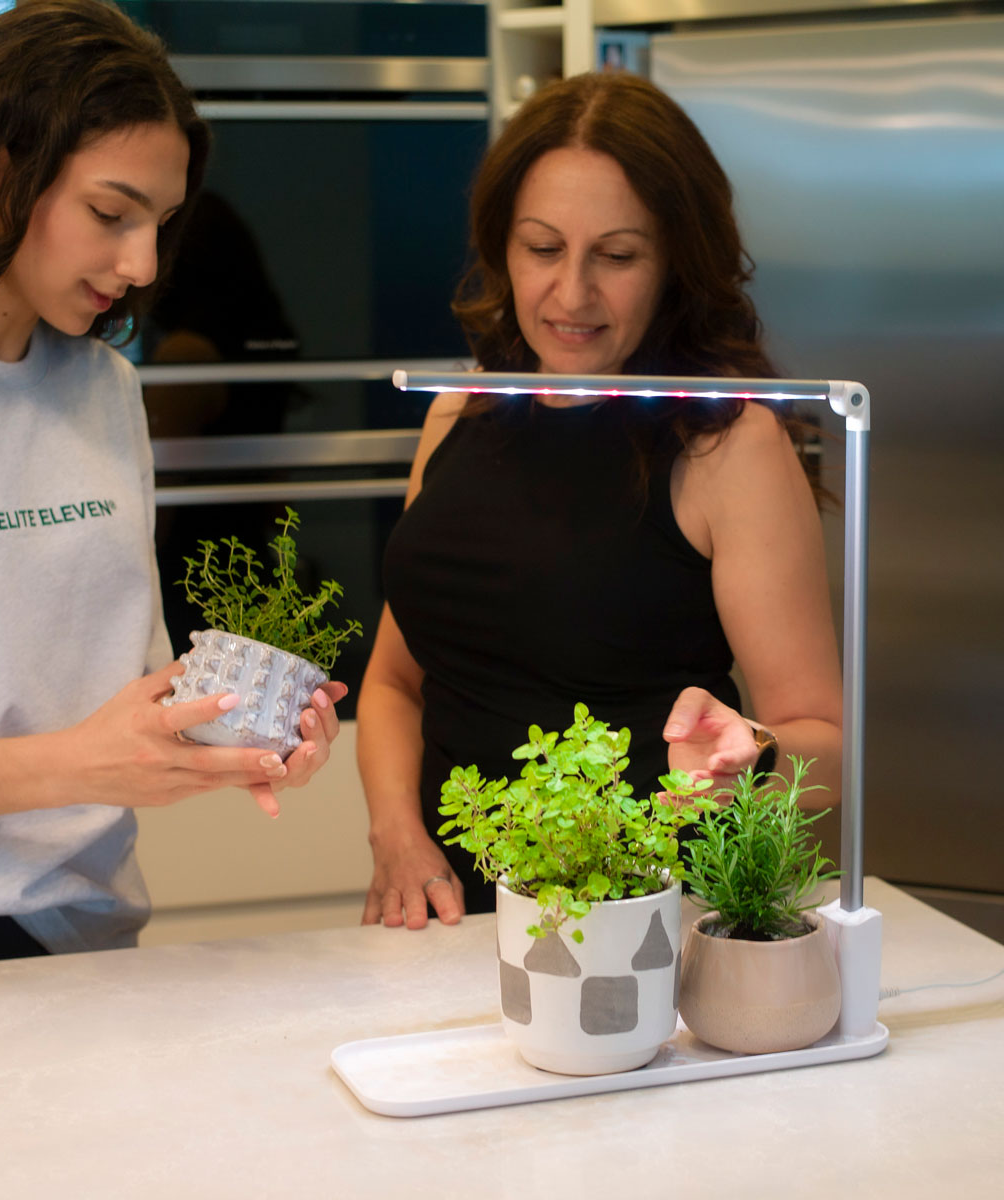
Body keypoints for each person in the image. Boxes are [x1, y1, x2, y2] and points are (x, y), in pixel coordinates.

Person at [0, 0, 345, 977]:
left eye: (160, 225)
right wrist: (73, 765)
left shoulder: (102, 388)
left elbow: (110, 694)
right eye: (110, 213)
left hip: (85, 932)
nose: (141, 266)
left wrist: (242, 725)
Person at [356, 71, 843, 928]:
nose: (572, 294)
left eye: (617, 256)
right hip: (442, 916)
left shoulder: (727, 446)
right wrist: (397, 836)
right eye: (542, 248)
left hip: (648, 933)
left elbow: (829, 752)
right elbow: (396, 683)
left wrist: (751, 756)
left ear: (674, 262)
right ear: (501, 245)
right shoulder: (460, 414)